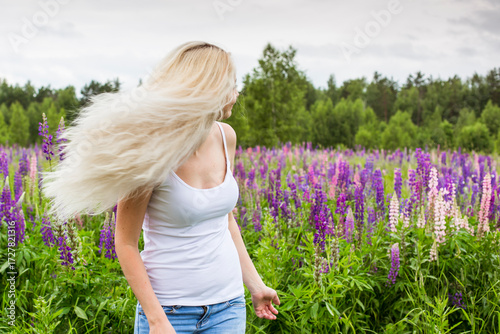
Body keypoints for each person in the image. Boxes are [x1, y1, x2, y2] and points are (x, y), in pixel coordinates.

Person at [113, 42, 280, 334]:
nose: (237, 93)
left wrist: (255, 284)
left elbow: (225, 221)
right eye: (232, 85)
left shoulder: (226, 136)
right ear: (209, 88)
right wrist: (156, 319)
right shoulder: (153, 151)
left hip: (228, 308)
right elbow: (125, 243)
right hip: (169, 312)